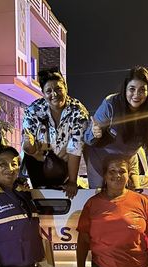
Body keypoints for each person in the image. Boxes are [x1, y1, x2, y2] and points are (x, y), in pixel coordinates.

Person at [84, 66, 148, 189]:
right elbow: (88, 139)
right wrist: (94, 134)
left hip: (128, 159)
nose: (136, 94)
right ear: (125, 89)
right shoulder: (111, 104)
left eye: (142, 90)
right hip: (101, 158)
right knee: (100, 195)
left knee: (134, 195)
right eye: (132, 89)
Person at [22, 68, 90, 197]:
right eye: (48, 91)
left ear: (65, 88)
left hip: (65, 162)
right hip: (39, 161)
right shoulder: (33, 110)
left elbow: (75, 148)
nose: (54, 94)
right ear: (43, 93)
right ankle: (40, 188)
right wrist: (29, 145)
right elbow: (28, 147)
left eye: (58, 89)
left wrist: (72, 181)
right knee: (41, 196)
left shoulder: (78, 111)